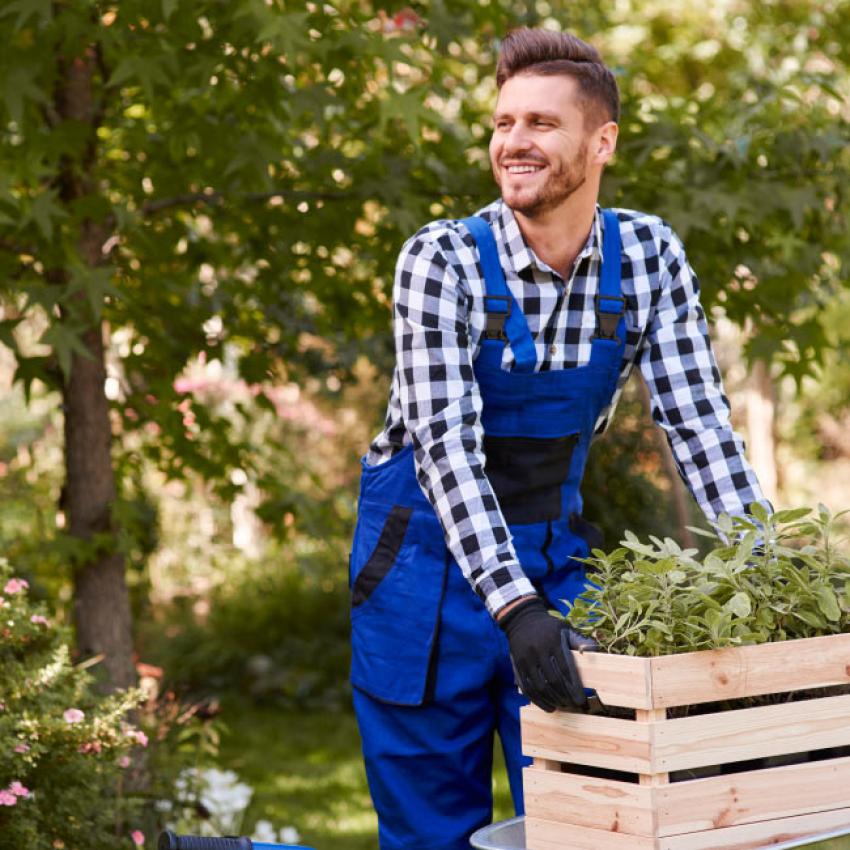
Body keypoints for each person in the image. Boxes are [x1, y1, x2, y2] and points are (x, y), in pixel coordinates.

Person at [349, 27, 768, 850]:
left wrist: (766, 567)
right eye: (503, 124)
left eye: (541, 123)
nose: (513, 143)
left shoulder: (648, 256)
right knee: (432, 837)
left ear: (601, 140)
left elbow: (699, 423)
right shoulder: (442, 260)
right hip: (420, 578)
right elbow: (443, 446)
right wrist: (514, 608)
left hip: (557, 563)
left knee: (591, 823)